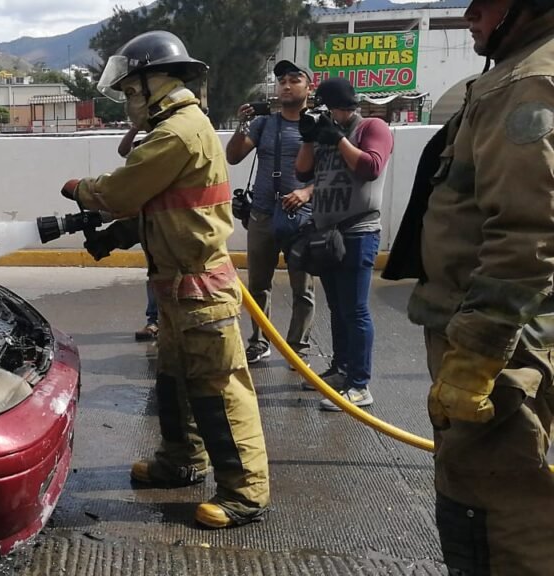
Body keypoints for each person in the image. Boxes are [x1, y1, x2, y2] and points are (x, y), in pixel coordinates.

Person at [62, 30, 270, 529]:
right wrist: (119, 237)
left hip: (200, 287)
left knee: (219, 389)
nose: (131, 101)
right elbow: (163, 206)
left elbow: (122, 190)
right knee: (176, 383)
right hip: (176, 288)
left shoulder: (177, 131)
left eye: (133, 91)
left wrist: (81, 189)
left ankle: (246, 492)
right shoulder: (176, 128)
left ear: (158, 83)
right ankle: (180, 462)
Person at [383, 0, 554, 571]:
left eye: (486, 2)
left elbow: (529, 231)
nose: (470, 15)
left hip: (502, 342)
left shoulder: (527, 83)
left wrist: (475, 358)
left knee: (493, 498)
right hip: (508, 329)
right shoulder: (516, 72)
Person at [291, 77, 393, 410]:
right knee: (337, 309)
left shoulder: (372, 127)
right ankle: (341, 370)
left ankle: (360, 385)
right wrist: (309, 137)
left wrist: (338, 140)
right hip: (326, 234)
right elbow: (303, 172)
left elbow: (370, 167)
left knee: (356, 310)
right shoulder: (323, 131)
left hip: (358, 231)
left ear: (342, 106)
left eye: (329, 108)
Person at [224, 60, 316, 369]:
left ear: (308, 87)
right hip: (262, 214)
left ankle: (297, 349)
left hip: (301, 217)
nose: (286, 85)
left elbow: (334, 171)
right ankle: (258, 342)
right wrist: (242, 125)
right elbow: (234, 157)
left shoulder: (317, 124)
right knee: (257, 286)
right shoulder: (264, 124)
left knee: (302, 288)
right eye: (281, 81)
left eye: (294, 80)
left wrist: (306, 192)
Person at [118, 125, 160, 341]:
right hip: (147, 218)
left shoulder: (168, 139)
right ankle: (154, 321)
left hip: (166, 217)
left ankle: (164, 321)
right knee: (154, 272)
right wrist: (135, 128)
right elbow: (123, 150)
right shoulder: (142, 144)